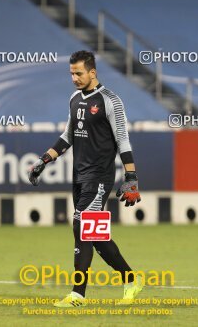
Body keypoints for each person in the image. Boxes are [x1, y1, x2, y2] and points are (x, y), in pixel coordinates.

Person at [27, 50, 143, 307]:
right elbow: (68, 136)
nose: (74, 78)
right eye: (71, 73)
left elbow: (122, 138)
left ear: (92, 72)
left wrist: (131, 176)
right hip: (79, 176)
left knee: (80, 225)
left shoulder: (110, 101)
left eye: (79, 73)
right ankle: (131, 280)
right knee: (96, 237)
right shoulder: (74, 99)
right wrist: (44, 160)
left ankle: (77, 294)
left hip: (100, 177)